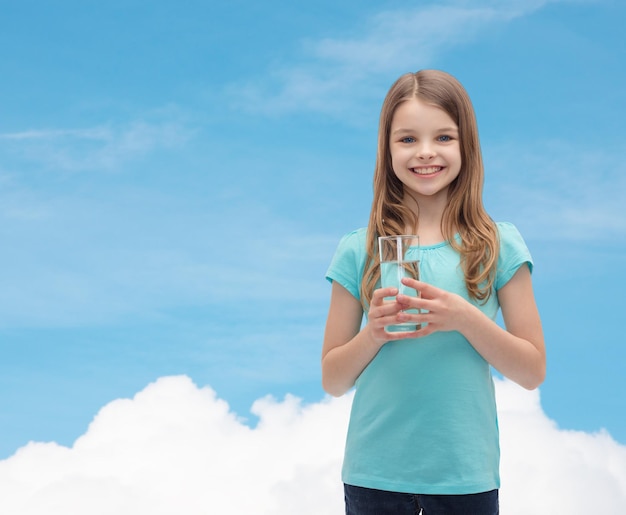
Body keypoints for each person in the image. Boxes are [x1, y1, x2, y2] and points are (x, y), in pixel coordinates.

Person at [322, 70, 545, 515]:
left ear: (467, 147)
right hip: (373, 476)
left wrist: (464, 317)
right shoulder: (359, 248)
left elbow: (531, 370)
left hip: (465, 475)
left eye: (443, 137)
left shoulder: (497, 245)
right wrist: (374, 334)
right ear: (387, 149)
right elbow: (333, 379)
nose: (425, 153)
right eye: (407, 139)